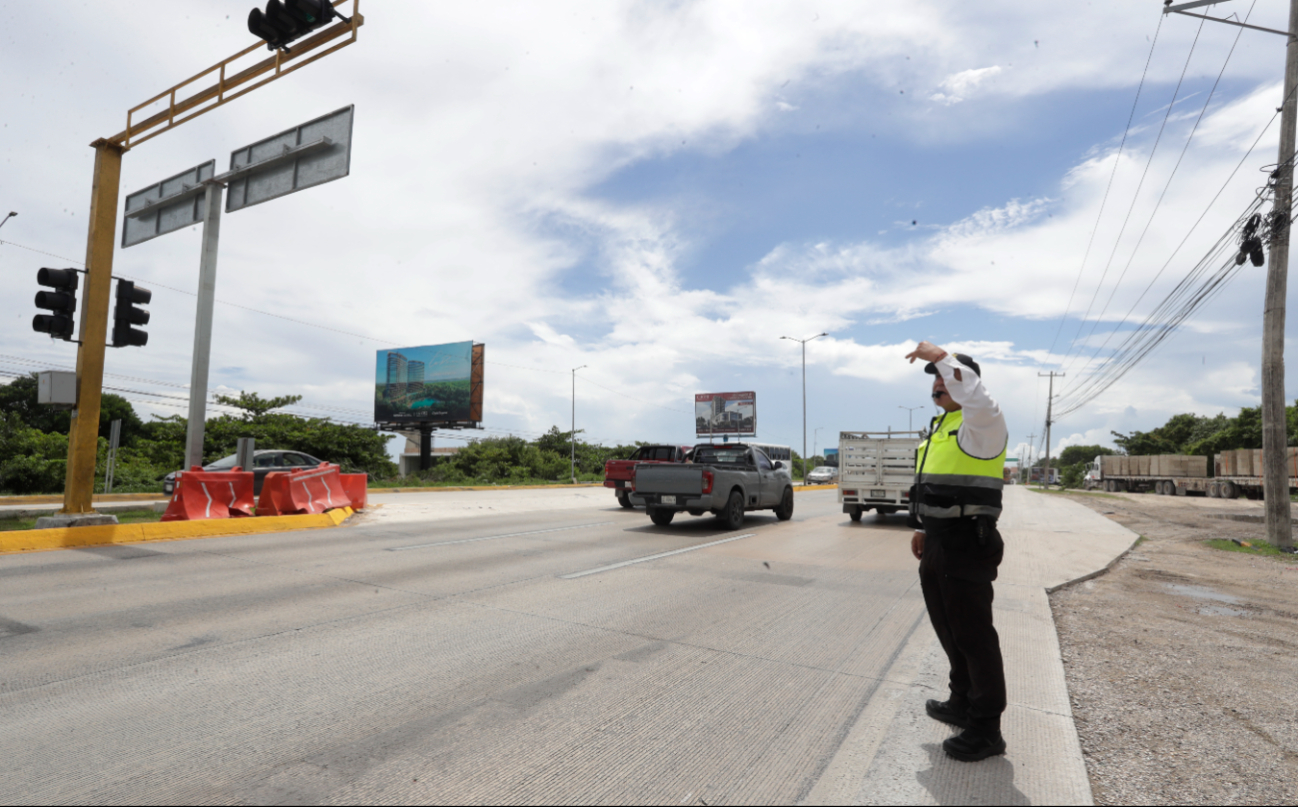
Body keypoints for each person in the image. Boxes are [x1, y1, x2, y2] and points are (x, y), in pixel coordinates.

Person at [904, 341, 1009, 762]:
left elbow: (975, 395)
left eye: (946, 379)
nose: (938, 384)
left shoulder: (982, 422)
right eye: (934, 380)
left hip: (969, 540)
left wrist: (942, 358)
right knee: (948, 627)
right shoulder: (941, 427)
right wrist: (921, 529)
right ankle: (961, 700)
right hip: (939, 540)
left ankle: (986, 727)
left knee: (974, 635)